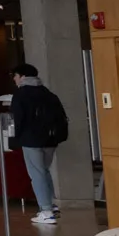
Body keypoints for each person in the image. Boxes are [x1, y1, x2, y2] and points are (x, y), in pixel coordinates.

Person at [10, 63, 70, 224]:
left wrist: (16, 138)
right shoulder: (48, 93)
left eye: (15, 76)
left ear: (22, 76)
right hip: (51, 139)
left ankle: (46, 210)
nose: (14, 79)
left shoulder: (21, 94)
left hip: (31, 140)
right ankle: (51, 205)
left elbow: (19, 119)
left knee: (37, 174)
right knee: (44, 171)